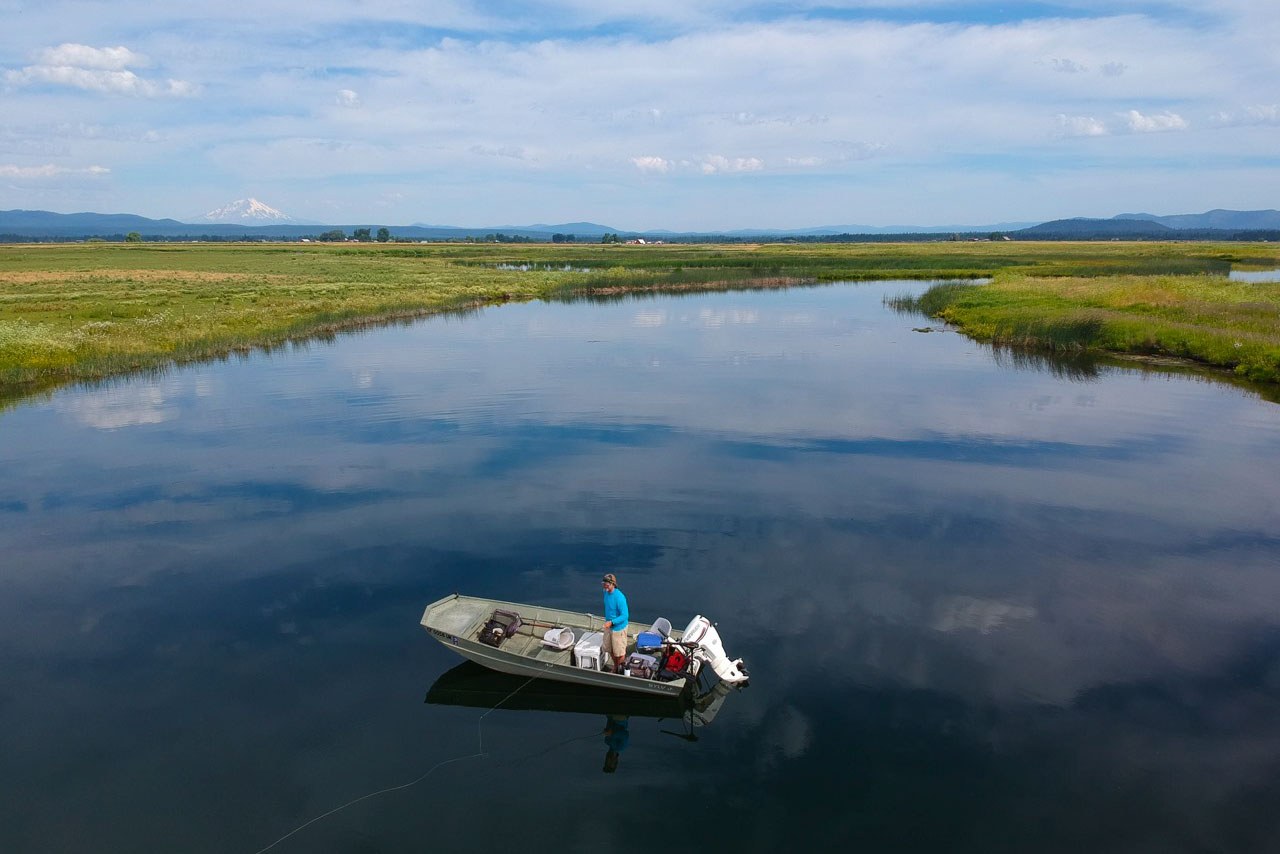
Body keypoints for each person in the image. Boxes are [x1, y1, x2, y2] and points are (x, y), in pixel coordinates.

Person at [601, 572, 629, 674]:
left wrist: (612, 622)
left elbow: (625, 615)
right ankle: (616, 667)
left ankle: (619, 671)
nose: (605, 587)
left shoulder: (619, 597)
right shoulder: (605, 592)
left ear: (613, 584)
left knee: (619, 652)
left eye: (607, 585)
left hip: (618, 628)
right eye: (604, 584)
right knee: (610, 649)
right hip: (609, 626)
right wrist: (609, 623)